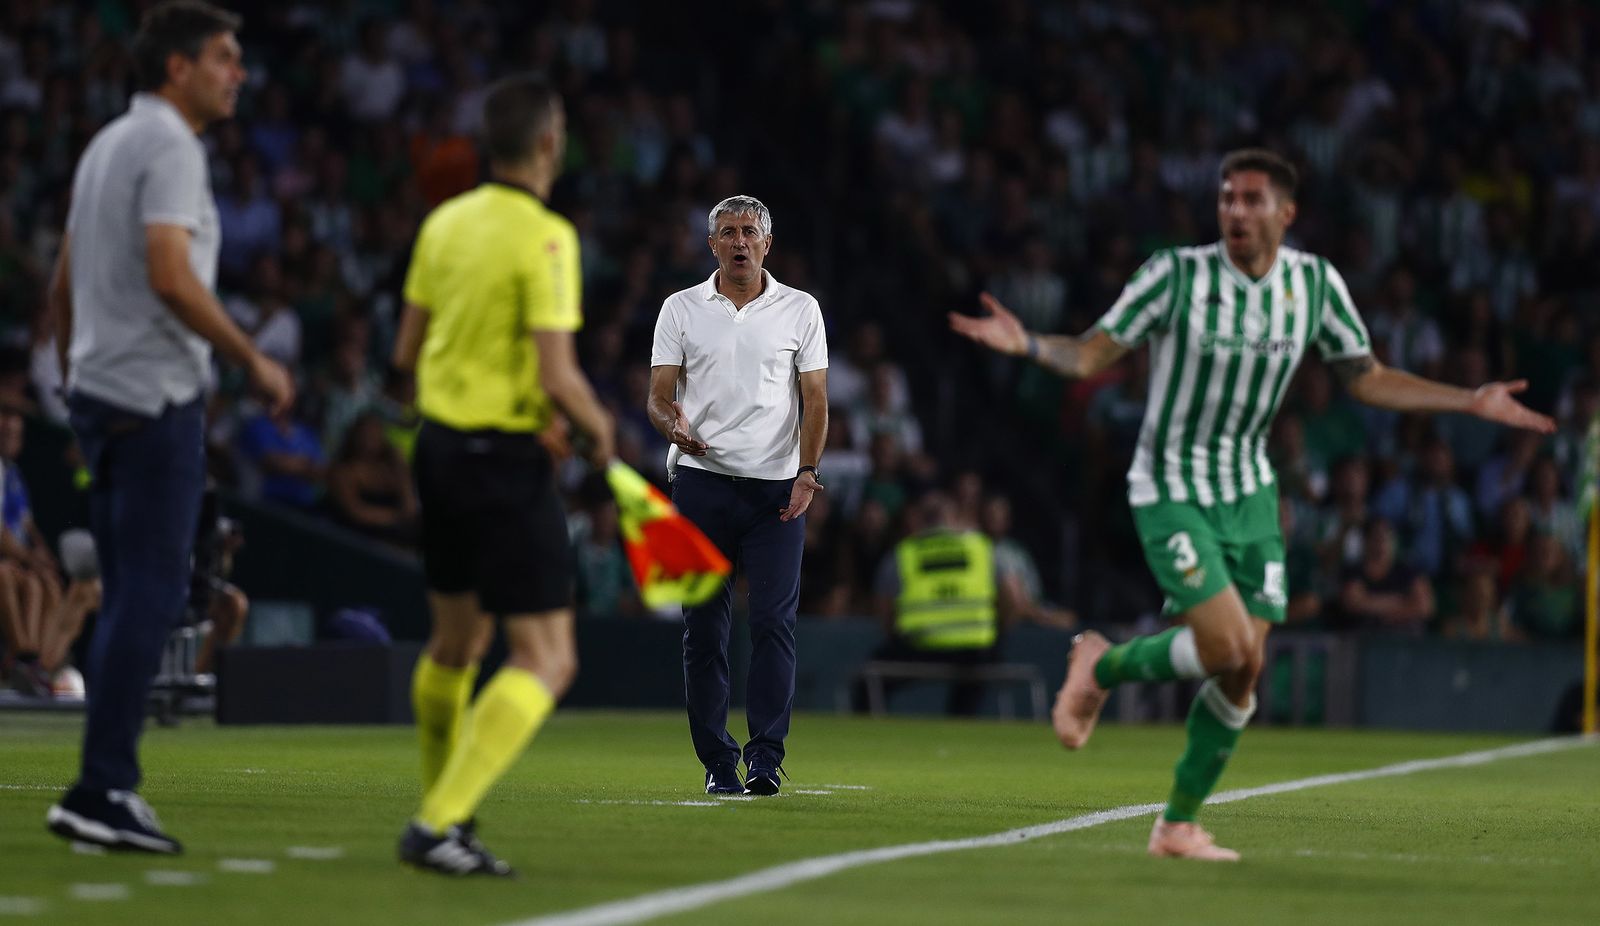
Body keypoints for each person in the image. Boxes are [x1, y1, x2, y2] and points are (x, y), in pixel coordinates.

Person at [950, 148, 1553, 861]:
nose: (1235, 210)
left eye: (1252, 199)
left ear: (1285, 213)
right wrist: (1028, 345)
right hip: (1171, 484)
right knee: (1229, 645)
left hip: (1251, 492)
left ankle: (1174, 820)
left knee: (1242, 670)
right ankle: (1102, 668)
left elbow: (1366, 378)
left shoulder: (1315, 285)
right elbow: (1089, 356)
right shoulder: (1175, 275)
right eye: (1227, 198)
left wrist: (1468, 400)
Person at [43, 2, 293, 855]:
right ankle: (101, 787)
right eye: (225, 57)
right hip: (152, 401)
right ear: (178, 67)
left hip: (102, 393)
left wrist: (75, 366)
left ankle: (100, 784)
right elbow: (169, 273)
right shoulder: (172, 147)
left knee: (128, 597)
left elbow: (67, 273)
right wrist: (253, 361)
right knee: (151, 593)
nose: (239, 73)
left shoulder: (108, 142)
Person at [391, 73, 614, 877]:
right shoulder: (548, 236)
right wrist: (599, 431)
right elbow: (560, 373)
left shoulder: (444, 223)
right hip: (502, 461)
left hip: (440, 450)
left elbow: (405, 354)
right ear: (550, 142)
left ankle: (445, 814)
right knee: (548, 657)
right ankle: (438, 819)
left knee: (456, 642)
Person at [646, 194, 829, 797]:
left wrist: (807, 472)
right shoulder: (681, 308)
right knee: (703, 629)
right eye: (728, 232)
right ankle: (717, 760)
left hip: (776, 492)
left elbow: (816, 400)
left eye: (749, 231)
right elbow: (657, 395)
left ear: (767, 243)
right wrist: (671, 425)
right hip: (698, 486)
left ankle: (766, 758)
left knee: (774, 624)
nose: (740, 241)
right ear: (712, 244)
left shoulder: (800, 309)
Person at [857, 491, 1013, 716]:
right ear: (955, 517)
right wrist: (996, 633)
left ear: (920, 519)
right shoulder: (982, 548)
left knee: (867, 682)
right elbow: (1013, 601)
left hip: (918, 647)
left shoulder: (903, 553)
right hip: (974, 650)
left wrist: (900, 634)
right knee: (978, 675)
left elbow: (883, 610)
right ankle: (962, 724)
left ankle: (870, 739)